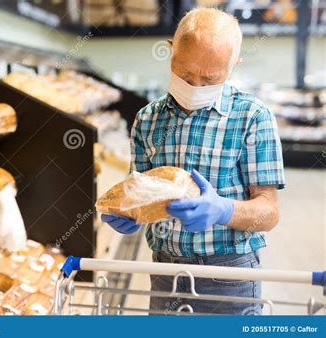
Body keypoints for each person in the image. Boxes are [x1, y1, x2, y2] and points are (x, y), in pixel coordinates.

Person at [101, 7, 285, 315]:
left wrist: (223, 210)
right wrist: (128, 215)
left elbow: (269, 213)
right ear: (171, 50)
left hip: (229, 276)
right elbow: (139, 195)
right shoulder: (147, 119)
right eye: (185, 73)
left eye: (210, 77)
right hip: (165, 273)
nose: (195, 86)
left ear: (232, 66)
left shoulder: (252, 117)